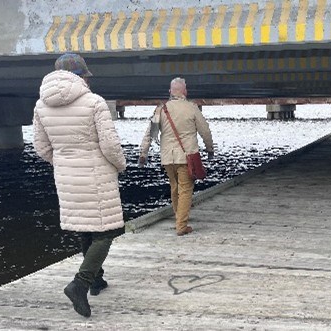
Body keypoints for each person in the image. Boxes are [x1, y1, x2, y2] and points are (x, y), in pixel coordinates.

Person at [33, 53, 126, 317]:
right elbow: (109, 144)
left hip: (66, 176)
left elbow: (41, 147)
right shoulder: (94, 102)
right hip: (96, 174)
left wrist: (63, 160)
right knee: (106, 231)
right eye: (86, 76)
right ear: (80, 76)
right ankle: (80, 284)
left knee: (86, 228)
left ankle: (97, 280)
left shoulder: (41, 106)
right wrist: (120, 165)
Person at [139, 77, 214, 236]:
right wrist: (209, 149)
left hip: (168, 158)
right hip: (186, 157)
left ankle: (178, 217)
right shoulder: (192, 108)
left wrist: (143, 154)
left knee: (175, 187)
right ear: (185, 92)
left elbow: (150, 134)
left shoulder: (161, 109)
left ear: (170, 92)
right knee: (185, 190)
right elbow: (205, 131)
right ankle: (181, 225)